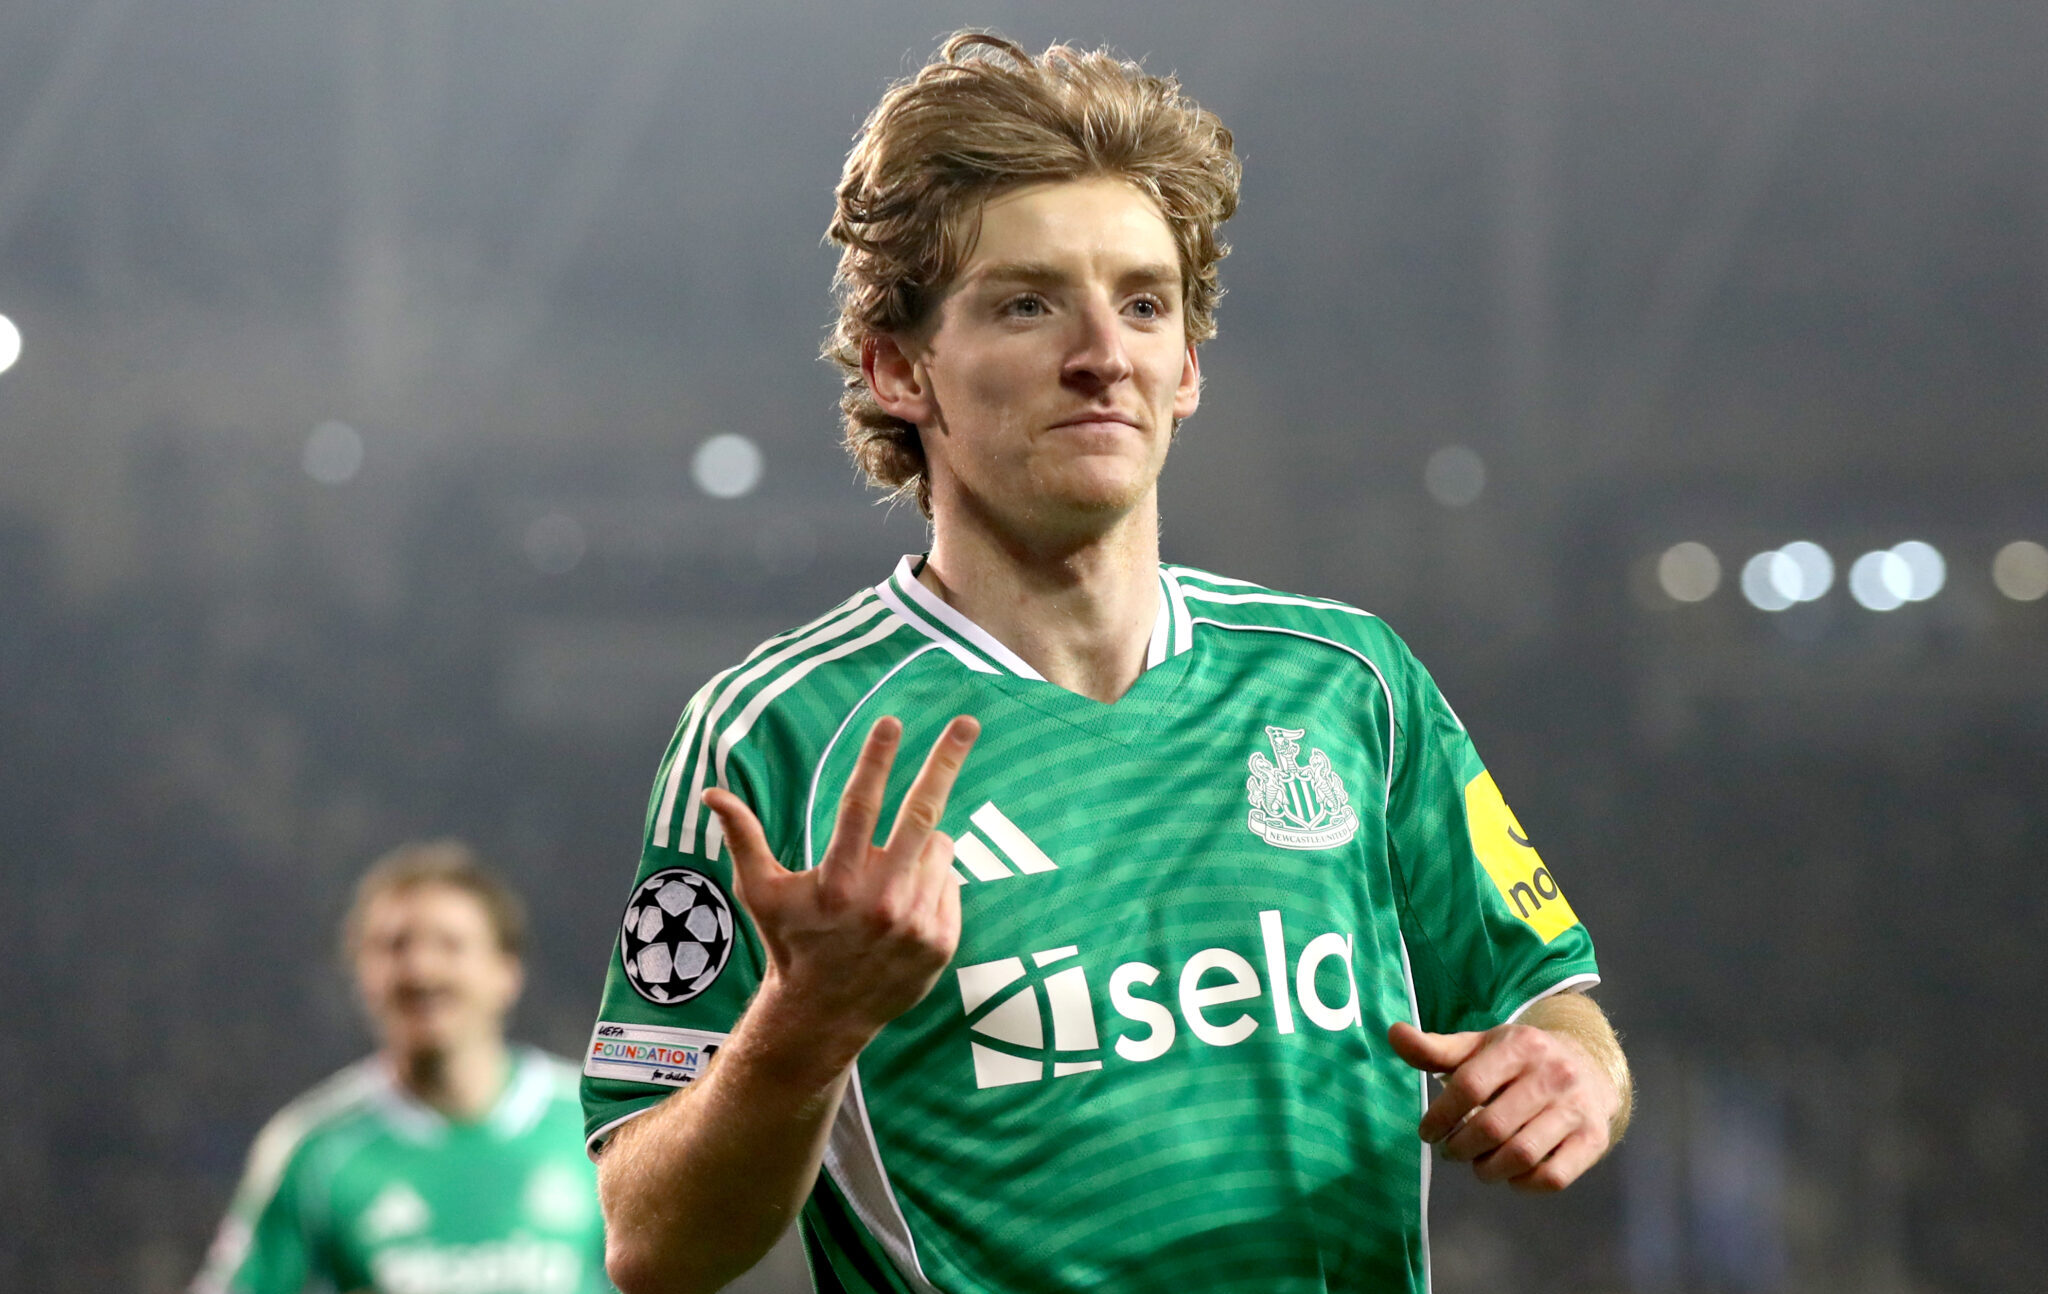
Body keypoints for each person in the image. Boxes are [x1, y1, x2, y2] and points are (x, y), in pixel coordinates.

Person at [583, 32, 1631, 1294]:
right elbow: (650, 1243)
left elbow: (1548, 998)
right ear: (896, 367)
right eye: (1026, 303)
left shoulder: (1347, 681)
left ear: (1186, 366)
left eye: (1143, 302)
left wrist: (1575, 1069)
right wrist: (807, 1023)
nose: (1103, 351)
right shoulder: (774, 734)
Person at [193, 841, 612, 1294]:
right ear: (360, 976)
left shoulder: (594, 1125)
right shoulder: (315, 1150)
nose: (420, 970)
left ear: (506, 972)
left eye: (450, 946)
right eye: (394, 947)